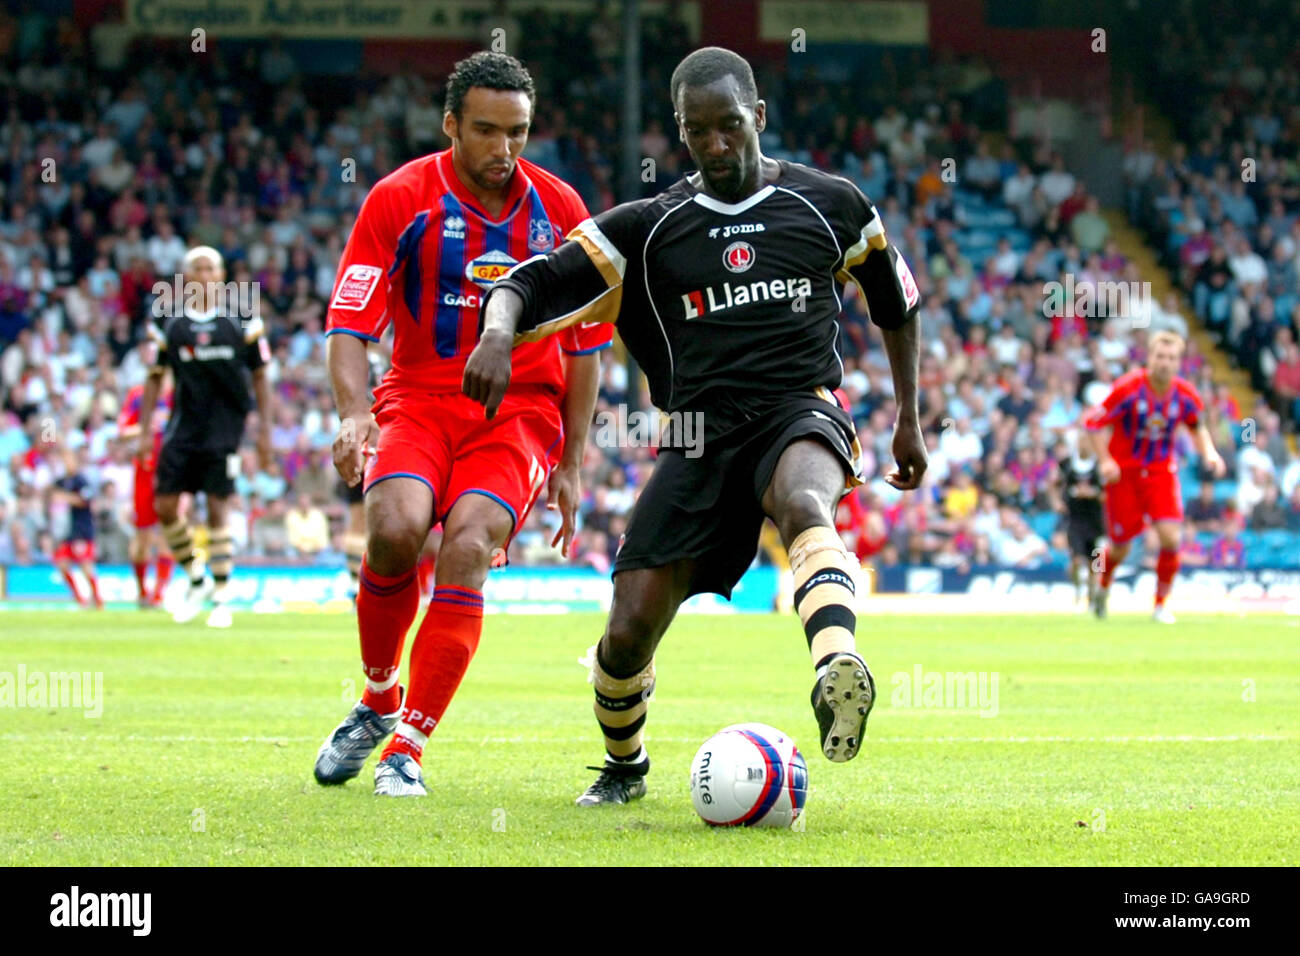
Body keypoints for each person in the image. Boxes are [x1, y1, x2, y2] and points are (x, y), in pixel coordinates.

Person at [464, 46, 927, 806]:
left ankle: (835, 668)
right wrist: (493, 333)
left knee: (806, 502)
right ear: (681, 133)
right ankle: (625, 765)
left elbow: (896, 303)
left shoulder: (831, 204)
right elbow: (530, 281)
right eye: (697, 131)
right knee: (627, 631)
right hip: (696, 437)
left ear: (759, 118)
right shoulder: (649, 229)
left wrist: (909, 420)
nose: (715, 146)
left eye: (730, 126)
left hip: (798, 406)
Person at [313, 52, 610, 797]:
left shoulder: (561, 211)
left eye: (517, 132)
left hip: (520, 416)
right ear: (451, 125)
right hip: (415, 397)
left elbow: (586, 350)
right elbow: (349, 323)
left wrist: (573, 461)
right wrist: (353, 415)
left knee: (471, 541)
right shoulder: (399, 198)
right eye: (485, 130)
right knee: (394, 530)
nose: (503, 149)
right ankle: (378, 697)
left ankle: (405, 747)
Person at [137, 245, 274, 628]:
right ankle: (196, 578)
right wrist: (146, 429)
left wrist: (265, 431)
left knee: (218, 507)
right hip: (183, 426)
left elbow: (261, 376)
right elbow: (153, 377)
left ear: (222, 275)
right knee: (164, 506)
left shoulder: (242, 317)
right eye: (197, 269)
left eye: (211, 269)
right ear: (185, 277)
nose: (204, 275)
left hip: (225, 428)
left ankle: (221, 595)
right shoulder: (168, 321)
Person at [1084, 330, 1225, 623]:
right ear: (1149, 357)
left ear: (1179, 362)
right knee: (1121, 546)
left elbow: (1196, 426)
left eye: (1172, 358)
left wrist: (1210, 452)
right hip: (1124, 474)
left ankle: (1160, 605)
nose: (1165, 362)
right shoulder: (1128, 388)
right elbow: (1093, 423)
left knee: (1170, 537)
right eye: (1160, 356)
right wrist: (1106, 459)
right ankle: (1102, 585)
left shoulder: (1186, 394)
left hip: (1161, 472)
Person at [116, 379, 175, 607]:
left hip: (172, 470)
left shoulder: (180, 393)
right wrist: (146, 427)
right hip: (145, 470)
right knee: (143, 536)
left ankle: (160, 593)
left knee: (169, 531)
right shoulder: (138, 395)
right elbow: (122, 432)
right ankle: (142, 590)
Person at [51, 445, 103, 609]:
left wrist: (65, 498)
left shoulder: (81, 481)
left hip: (82, 529)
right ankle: (80, 599)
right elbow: (51, 494)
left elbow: (85, 501)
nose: (66, 463)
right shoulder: (62, 481)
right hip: (67, 530)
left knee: (86, 565)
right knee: (62, 563)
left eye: (68, 459)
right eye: (64, 460)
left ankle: (98, 599)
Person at [1058, 436, 1105, 610]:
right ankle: (1078, 590)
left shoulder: (1100, 465)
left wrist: (1092, 494)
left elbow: (1107, 493)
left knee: (1097, 565)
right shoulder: (1068, 465)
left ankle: (1093, 598)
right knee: (1077, 561)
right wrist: (1059, 501)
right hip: (1076, 522)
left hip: (1098, 524)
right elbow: (1056, 484)